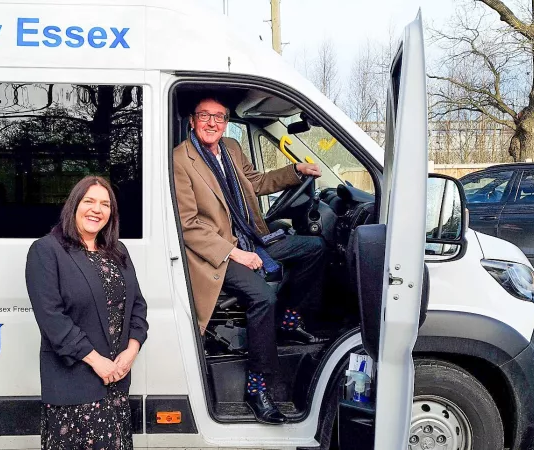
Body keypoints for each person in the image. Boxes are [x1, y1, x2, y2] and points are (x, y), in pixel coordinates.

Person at [172, 96, 326, 424]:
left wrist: (295, 170)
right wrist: (235, 253)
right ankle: (257, 388)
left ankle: (289, 322)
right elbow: (188, 224)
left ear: (226, 122)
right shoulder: (180, 160)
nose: (212, 123)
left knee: (314, 248)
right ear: (192, 120)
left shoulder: (231, 147)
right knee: (263, 297)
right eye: (205, 116)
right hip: (215, 254)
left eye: (219, 117)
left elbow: (255, 183)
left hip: (252, 240)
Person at [26, 176, 149, 450]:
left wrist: (131, 350)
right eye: (89, 201)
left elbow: (137, 305)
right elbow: (52, 319)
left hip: (116, 383)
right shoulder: (46, 250)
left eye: (105, 204)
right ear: (74, 205)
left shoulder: (118, 250)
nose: (97, 209)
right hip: (75, 385)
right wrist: (97, 361)